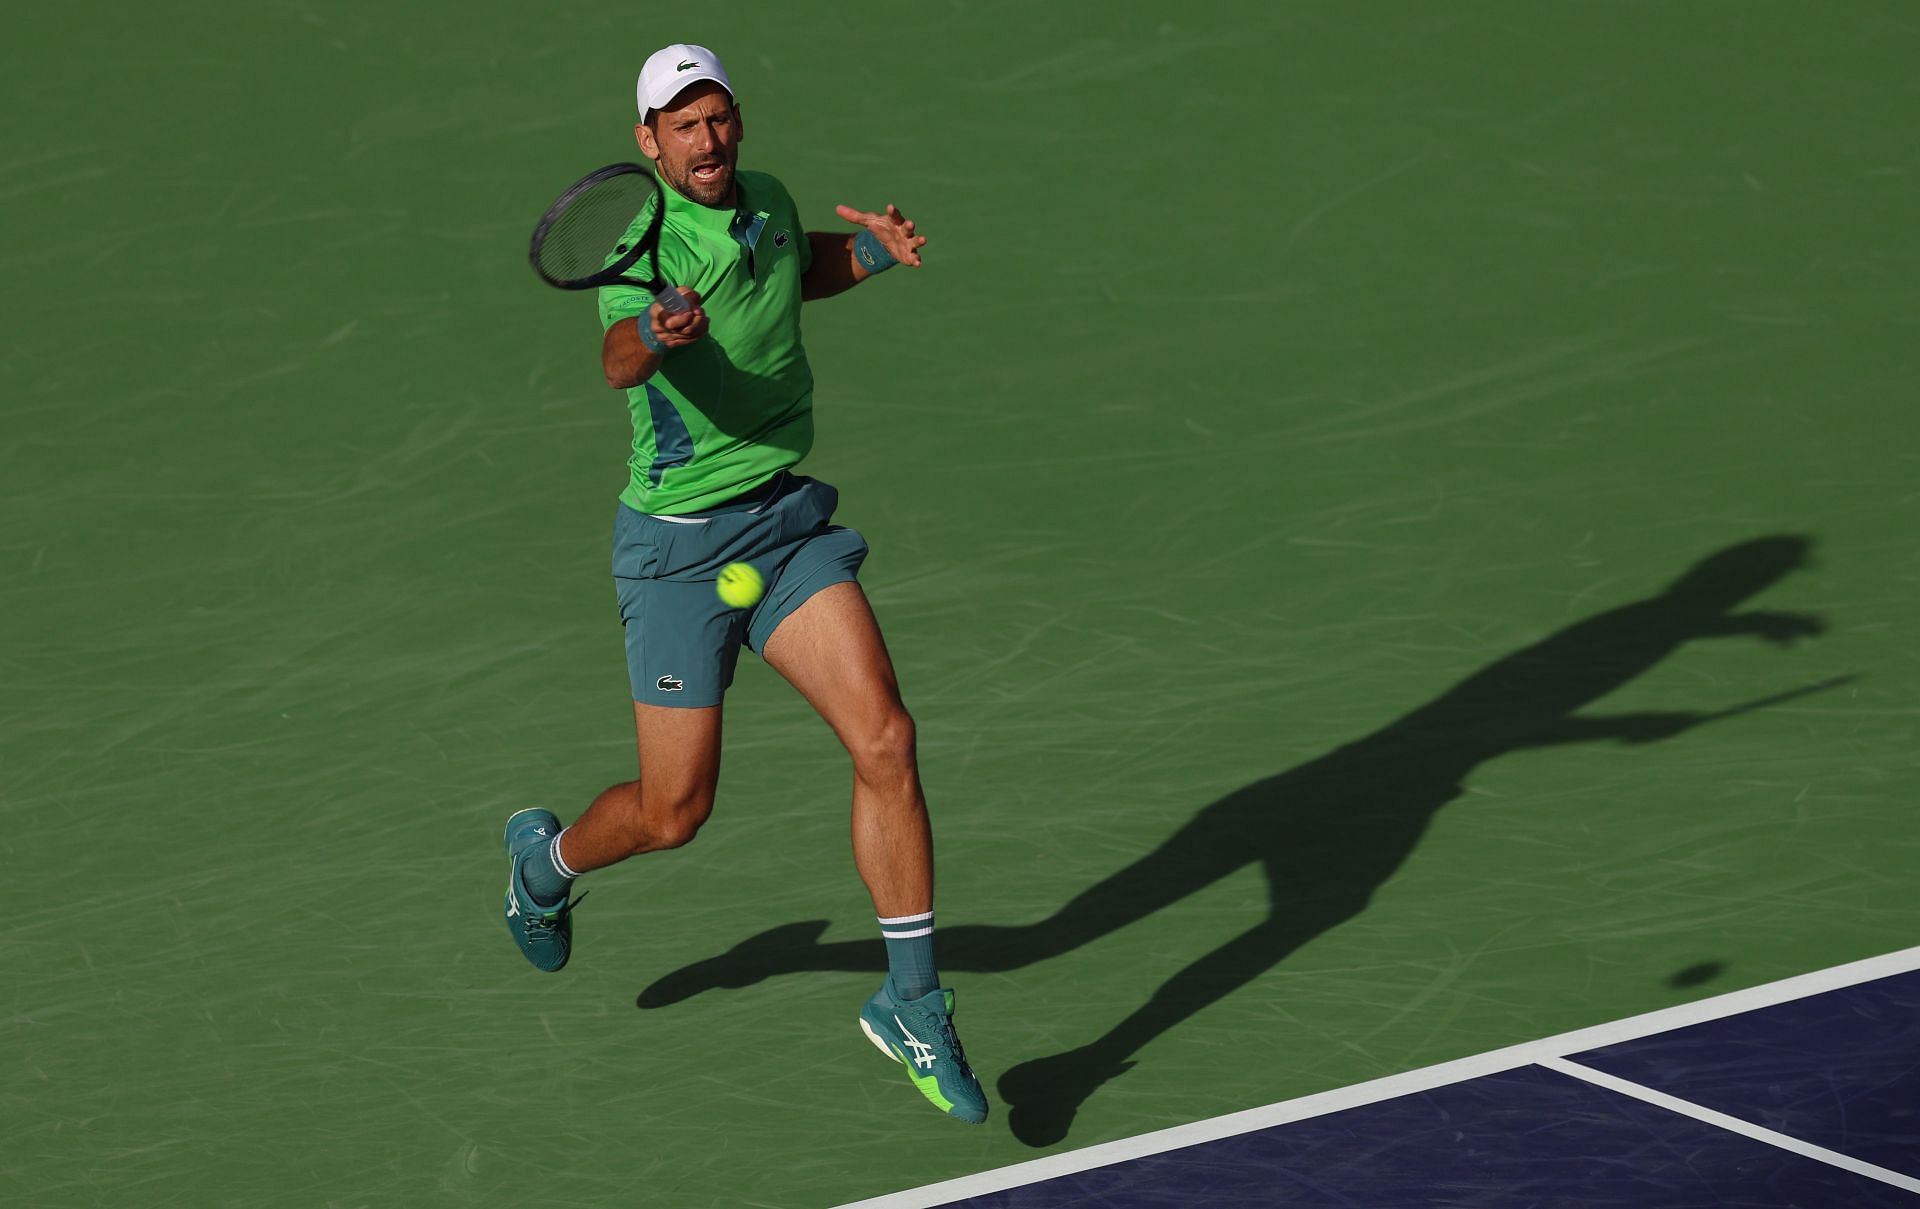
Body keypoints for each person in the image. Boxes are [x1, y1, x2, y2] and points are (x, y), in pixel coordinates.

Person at [498, 43, 985, 1125]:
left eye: (719, 118)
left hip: (782, 523)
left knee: (887, 740)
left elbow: (787, 265)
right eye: (684, 126)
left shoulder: (763, 197)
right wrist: (659, 336)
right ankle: (548, 863)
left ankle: (912, 1004)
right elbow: (620, 358)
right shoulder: (638, 249)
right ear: (648, 143)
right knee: (675, 813)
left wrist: (866, 255)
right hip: (677, 550)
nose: (708, 141)